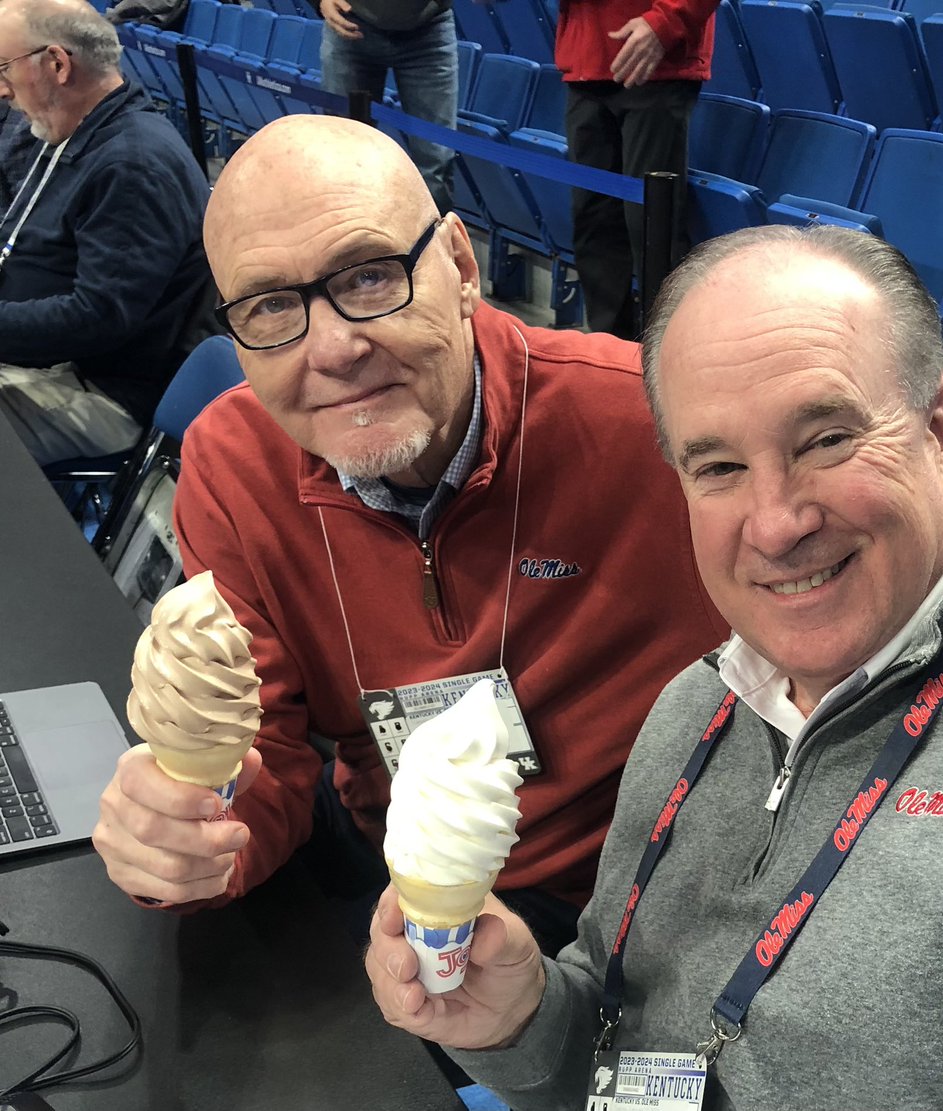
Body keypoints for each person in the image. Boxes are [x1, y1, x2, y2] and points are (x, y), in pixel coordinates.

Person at [365, 225, 943, 1110]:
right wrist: (522, 1019)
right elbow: (620, 1055)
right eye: (719, 466)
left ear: (940, 431)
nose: (774, 523)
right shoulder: (694, 706)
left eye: (826, 440)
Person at [91, 114, 731, 958]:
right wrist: (191, 838)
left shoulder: (655, 429)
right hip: (385, 854)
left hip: (604, 903)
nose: (333, 348)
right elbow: (265, 754)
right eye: (272, 306)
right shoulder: (233, 463)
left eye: (368, 276)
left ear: (460, 266)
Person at [0, 0, 211, 467]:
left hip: (97, 391)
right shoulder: (75, 129)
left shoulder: (133, 164)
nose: (2, 90)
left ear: (57, 64)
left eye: (4, 69)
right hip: (43, 366)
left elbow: (97, 319)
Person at [558, 0, 718, 340]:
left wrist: (666, 22)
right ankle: (609, 350)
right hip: (586, 62)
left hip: (656, 64)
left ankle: (665, 353)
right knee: (592, 218)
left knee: (652, 225)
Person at [318, 0, 456, 215]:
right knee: (344, 155)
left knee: (436, 164)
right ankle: (350, 233)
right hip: (350, 28)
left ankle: (433, 236)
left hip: (429, 32)